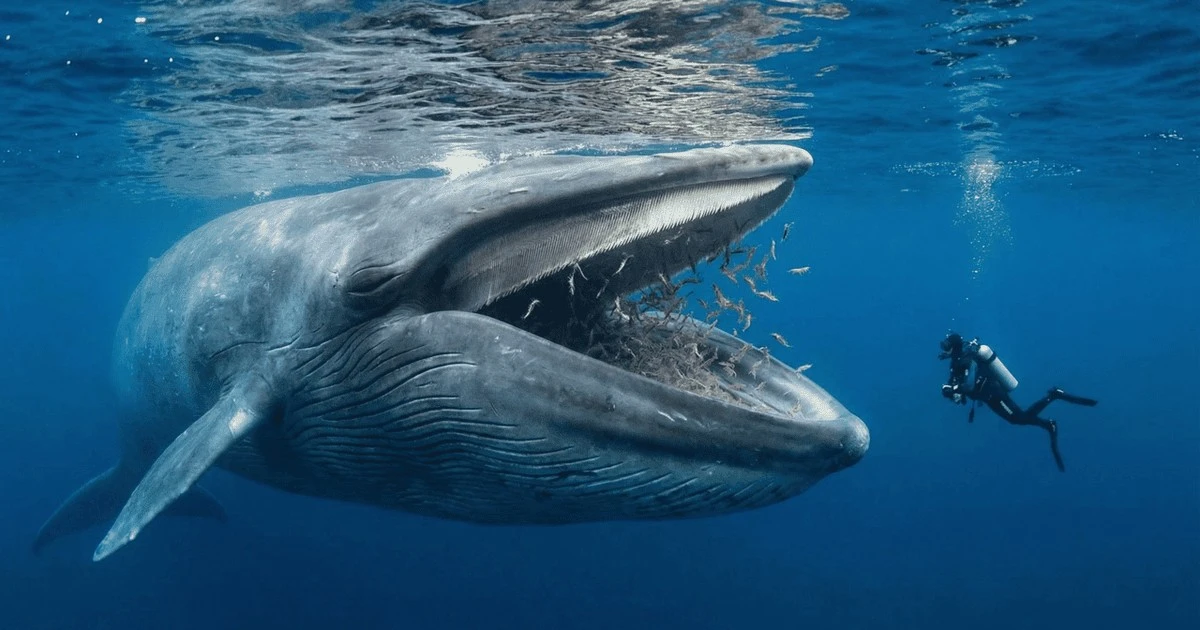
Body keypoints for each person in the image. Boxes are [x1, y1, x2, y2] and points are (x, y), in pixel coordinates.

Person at [938, 332, 1097, 471]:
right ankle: (1048, 423)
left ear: (955, 347)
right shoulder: (957, 362)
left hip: (994, 394)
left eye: (947, 346)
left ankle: (1053, 398)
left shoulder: (967, 359)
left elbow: (969, 384)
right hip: (988, 397)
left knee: (1018, 418)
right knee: (1017, 418)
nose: (944, 349)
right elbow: (957, 384)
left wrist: (954, 389)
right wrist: (951, 391)